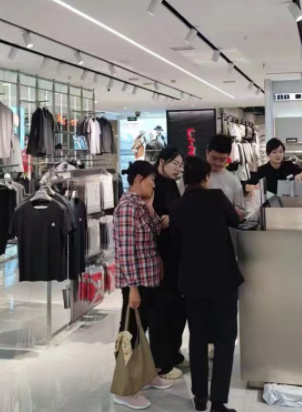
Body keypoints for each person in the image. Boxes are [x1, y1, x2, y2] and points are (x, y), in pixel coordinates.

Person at [169, 157, 243, 412]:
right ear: (206, 178)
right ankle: (218, 401)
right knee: (225, 339)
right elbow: (236, 221)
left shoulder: (176, 206)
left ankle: (199, 395)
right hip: (223, 279)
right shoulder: (217, 198)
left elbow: (175, 243)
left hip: (191, 281)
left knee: (197, 337)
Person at [111, 160, 173, 410]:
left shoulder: (140, 205)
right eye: (151, 180)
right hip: (136, 282)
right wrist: (133, 288)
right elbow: (125, 252)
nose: (154, 185)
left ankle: (145, 376)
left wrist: (150, 207)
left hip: (149, 279)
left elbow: (157, 230)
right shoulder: (127, 208)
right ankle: (124, 389)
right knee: (130, 333)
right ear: (138, 179)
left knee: (143, 329)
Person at [150, 147, 186, 380]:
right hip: (159, 257)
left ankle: (173, 354)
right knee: (161, 311)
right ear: (162, 161)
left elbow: (177, 211)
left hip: (175, 255)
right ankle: (160, 363)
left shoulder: (172, 184)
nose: (178, 169)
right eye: (175, 164)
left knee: (176, 308)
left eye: (181, 165)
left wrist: (173, 217)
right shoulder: (152, 184)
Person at [205, 135, 244, 216]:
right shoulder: (195, 175)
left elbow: (240, 210)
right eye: (214, 158)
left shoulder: (233, 181)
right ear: (207, 153)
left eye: (222, 160)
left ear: (228, 157)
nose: (217, 163)